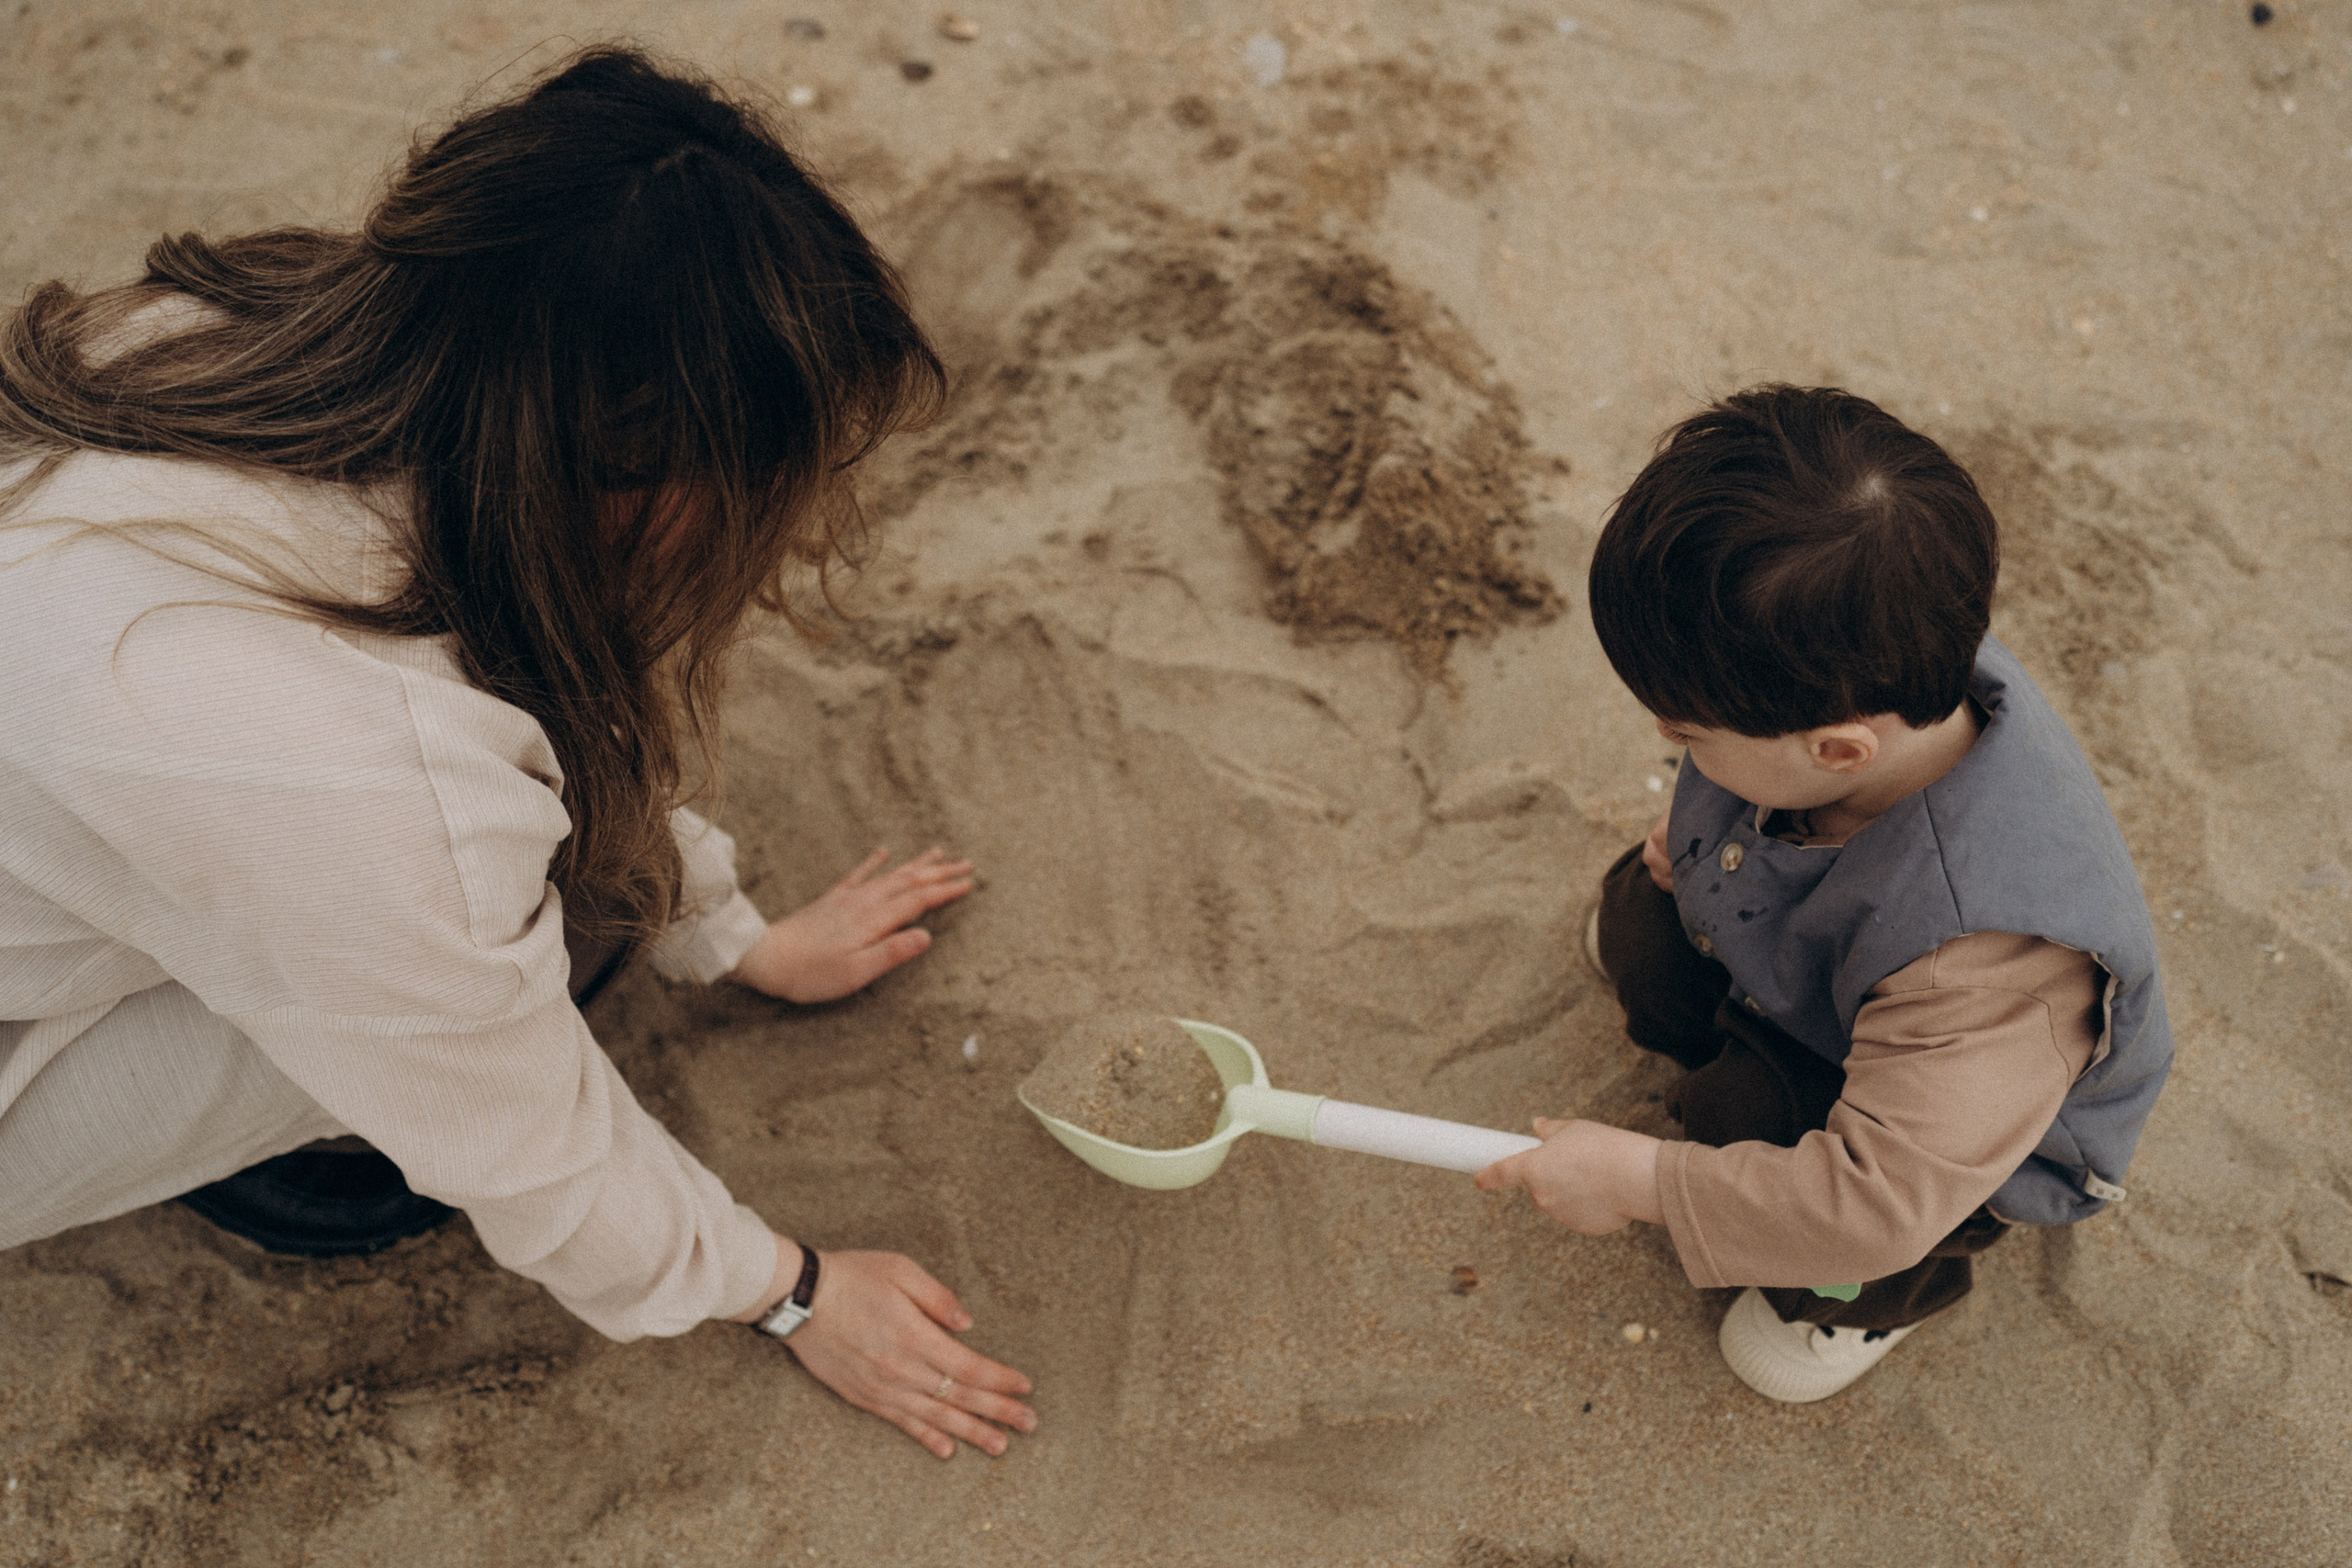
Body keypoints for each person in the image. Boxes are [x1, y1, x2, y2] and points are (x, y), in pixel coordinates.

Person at [0, 47, 1035, 1460]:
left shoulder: (219, 323)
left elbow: (537, 688)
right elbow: (529, 1145)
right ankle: (287, 1166)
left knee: (482, 904)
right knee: (477, 974)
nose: (783, 531)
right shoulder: (355, 781)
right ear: (628, 481)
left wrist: (730, 935)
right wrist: (791, 1289)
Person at [1476, 386, 2173, 1403]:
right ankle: (1714, 995)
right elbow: (1755, 762)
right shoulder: (1873, 646)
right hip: (1835, 958)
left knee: (1759, 1131)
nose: (1671, 745)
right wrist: (1709, 837)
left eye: (1688, 735)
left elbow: (1877, 1196)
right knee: (1640, 914)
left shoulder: (1990, 956)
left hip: (1948, 1140)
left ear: (1839, 747)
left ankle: (1866, 1302)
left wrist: (1639, 1184)